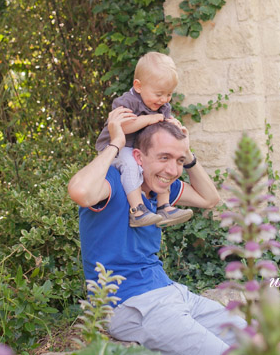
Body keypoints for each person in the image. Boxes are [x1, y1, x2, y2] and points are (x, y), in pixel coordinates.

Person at [69, 107, 247, 355]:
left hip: (173, 293)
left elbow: (210, 199)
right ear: (139, 158)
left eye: (178, 161)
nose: (173, 171)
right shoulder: (112, 182)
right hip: (131, 304)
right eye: (164, 158)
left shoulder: (159, 188)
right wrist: (116, 144)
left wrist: (188, 154)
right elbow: (79, 192)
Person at [95, 52, 193, 228]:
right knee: (131, 165)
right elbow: (120, 127)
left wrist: (173, 126)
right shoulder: (127, 101)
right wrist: (148, 119)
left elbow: (163, 130)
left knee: (162, 166)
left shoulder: (162, 106)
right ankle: (137, 210)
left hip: (139, 149)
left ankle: (164, 206)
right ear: (138, 86)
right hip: (117, 147)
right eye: (159, 94)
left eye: (169, 94)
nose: (164, 99)